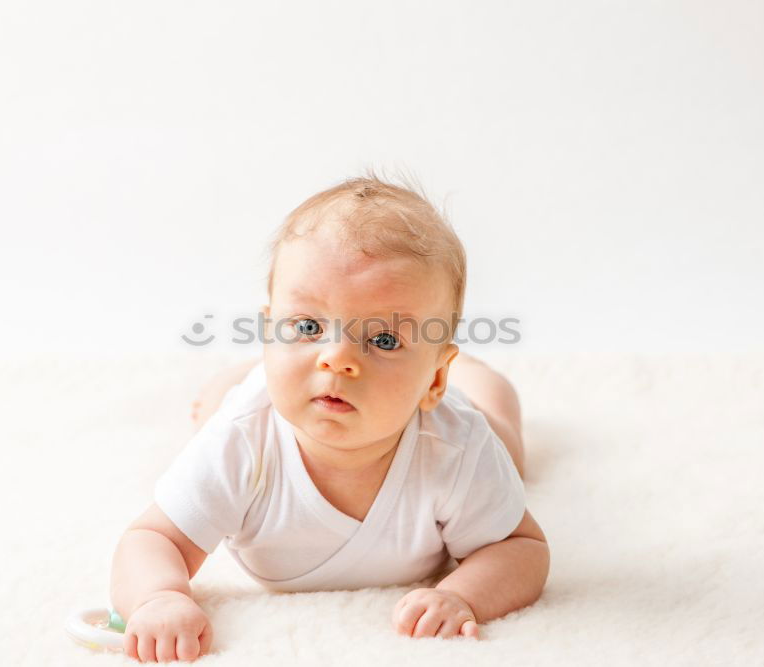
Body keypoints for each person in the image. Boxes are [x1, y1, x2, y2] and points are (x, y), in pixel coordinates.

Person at [109, 172, 549, 663]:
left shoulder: (455, 448)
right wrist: (158, 596)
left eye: (384, 340)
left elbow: (522, 549)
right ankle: (235, 383)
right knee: (225, 415)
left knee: (504, 439)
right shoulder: (243, 439)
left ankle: (480, 378)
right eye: (307, 327)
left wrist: (462, 594)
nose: (337, 358)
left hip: (453, 416)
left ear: (434, 382)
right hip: (255, 407)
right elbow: (152, 538)